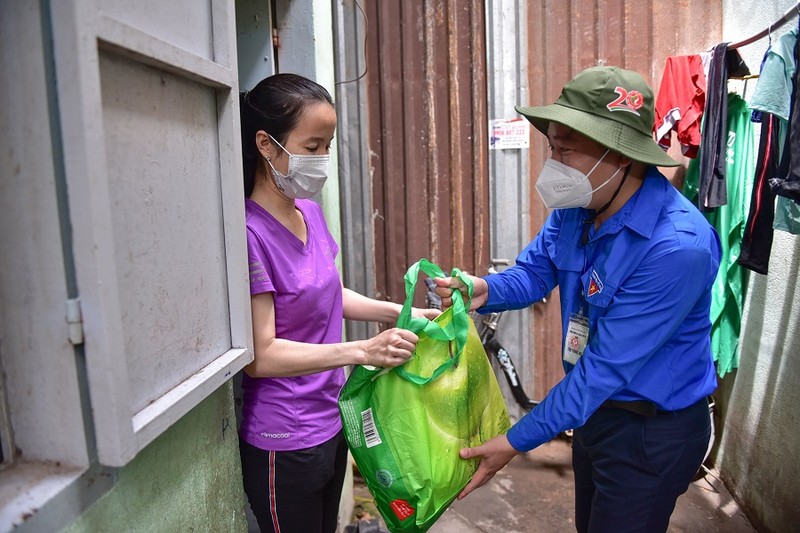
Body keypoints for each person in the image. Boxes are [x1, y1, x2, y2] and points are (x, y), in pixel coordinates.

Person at [434, 66, 721, 532]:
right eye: (552, 145)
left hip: (650, 432)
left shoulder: (675, 248)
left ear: (619, 154)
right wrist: (482, 290)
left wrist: (515, 440)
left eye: (566, 148)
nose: (554, 162)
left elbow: (603, 369)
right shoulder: (581, 205)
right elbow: (534, 273)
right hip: (594, 414)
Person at [238, 73, 438, 533]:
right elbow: (261, 356)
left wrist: (402, 314)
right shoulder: (250, 235)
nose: (322, 160)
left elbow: (327, 292)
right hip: (283, 437)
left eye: (327, 145)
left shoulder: (307, 209)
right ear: (267, 145)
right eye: (311, 147)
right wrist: (363, 351)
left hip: (332, 419)